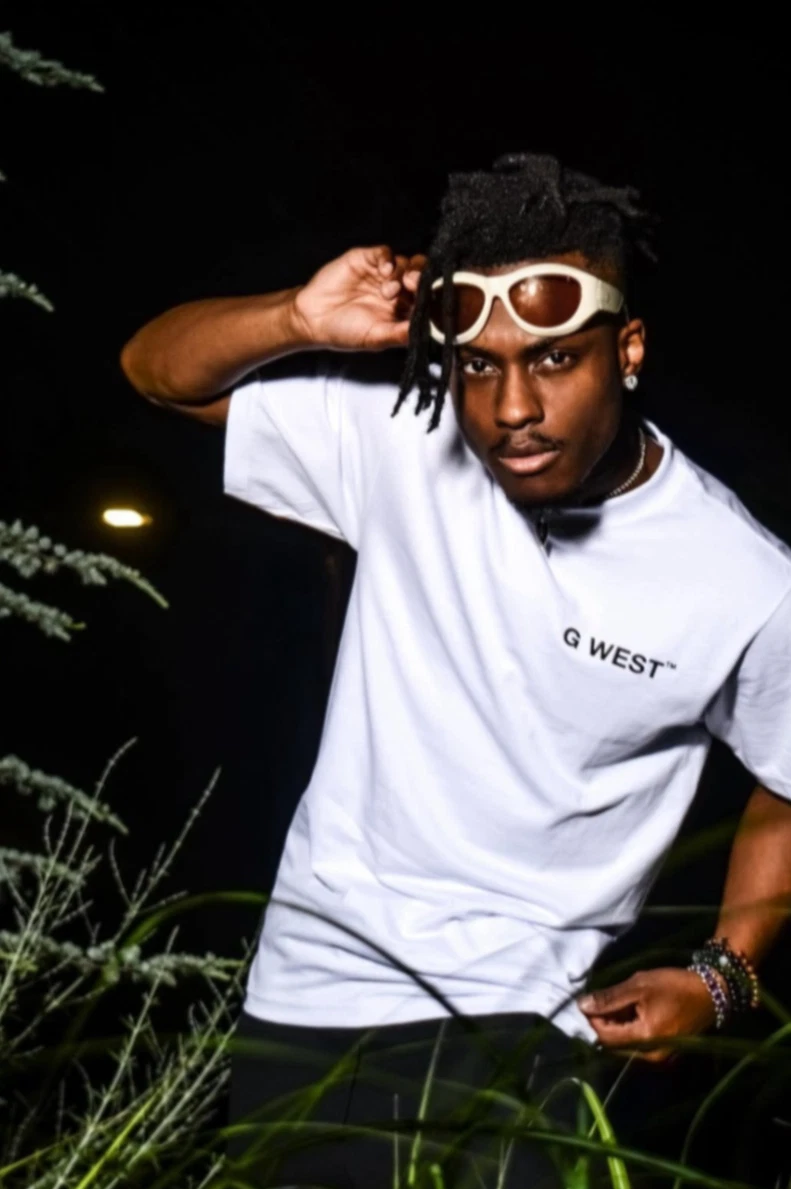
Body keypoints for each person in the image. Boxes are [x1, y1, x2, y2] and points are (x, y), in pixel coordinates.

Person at [121, 152, 791, 1187]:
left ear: (626, 350)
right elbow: (155, 371)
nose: (510, 407)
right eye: (477, 365)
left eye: (553, 359)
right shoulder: (405, 441)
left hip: (519, 1032)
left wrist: (722, 977)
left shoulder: (741, 578)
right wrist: (297, 318)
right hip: (299, 1007)